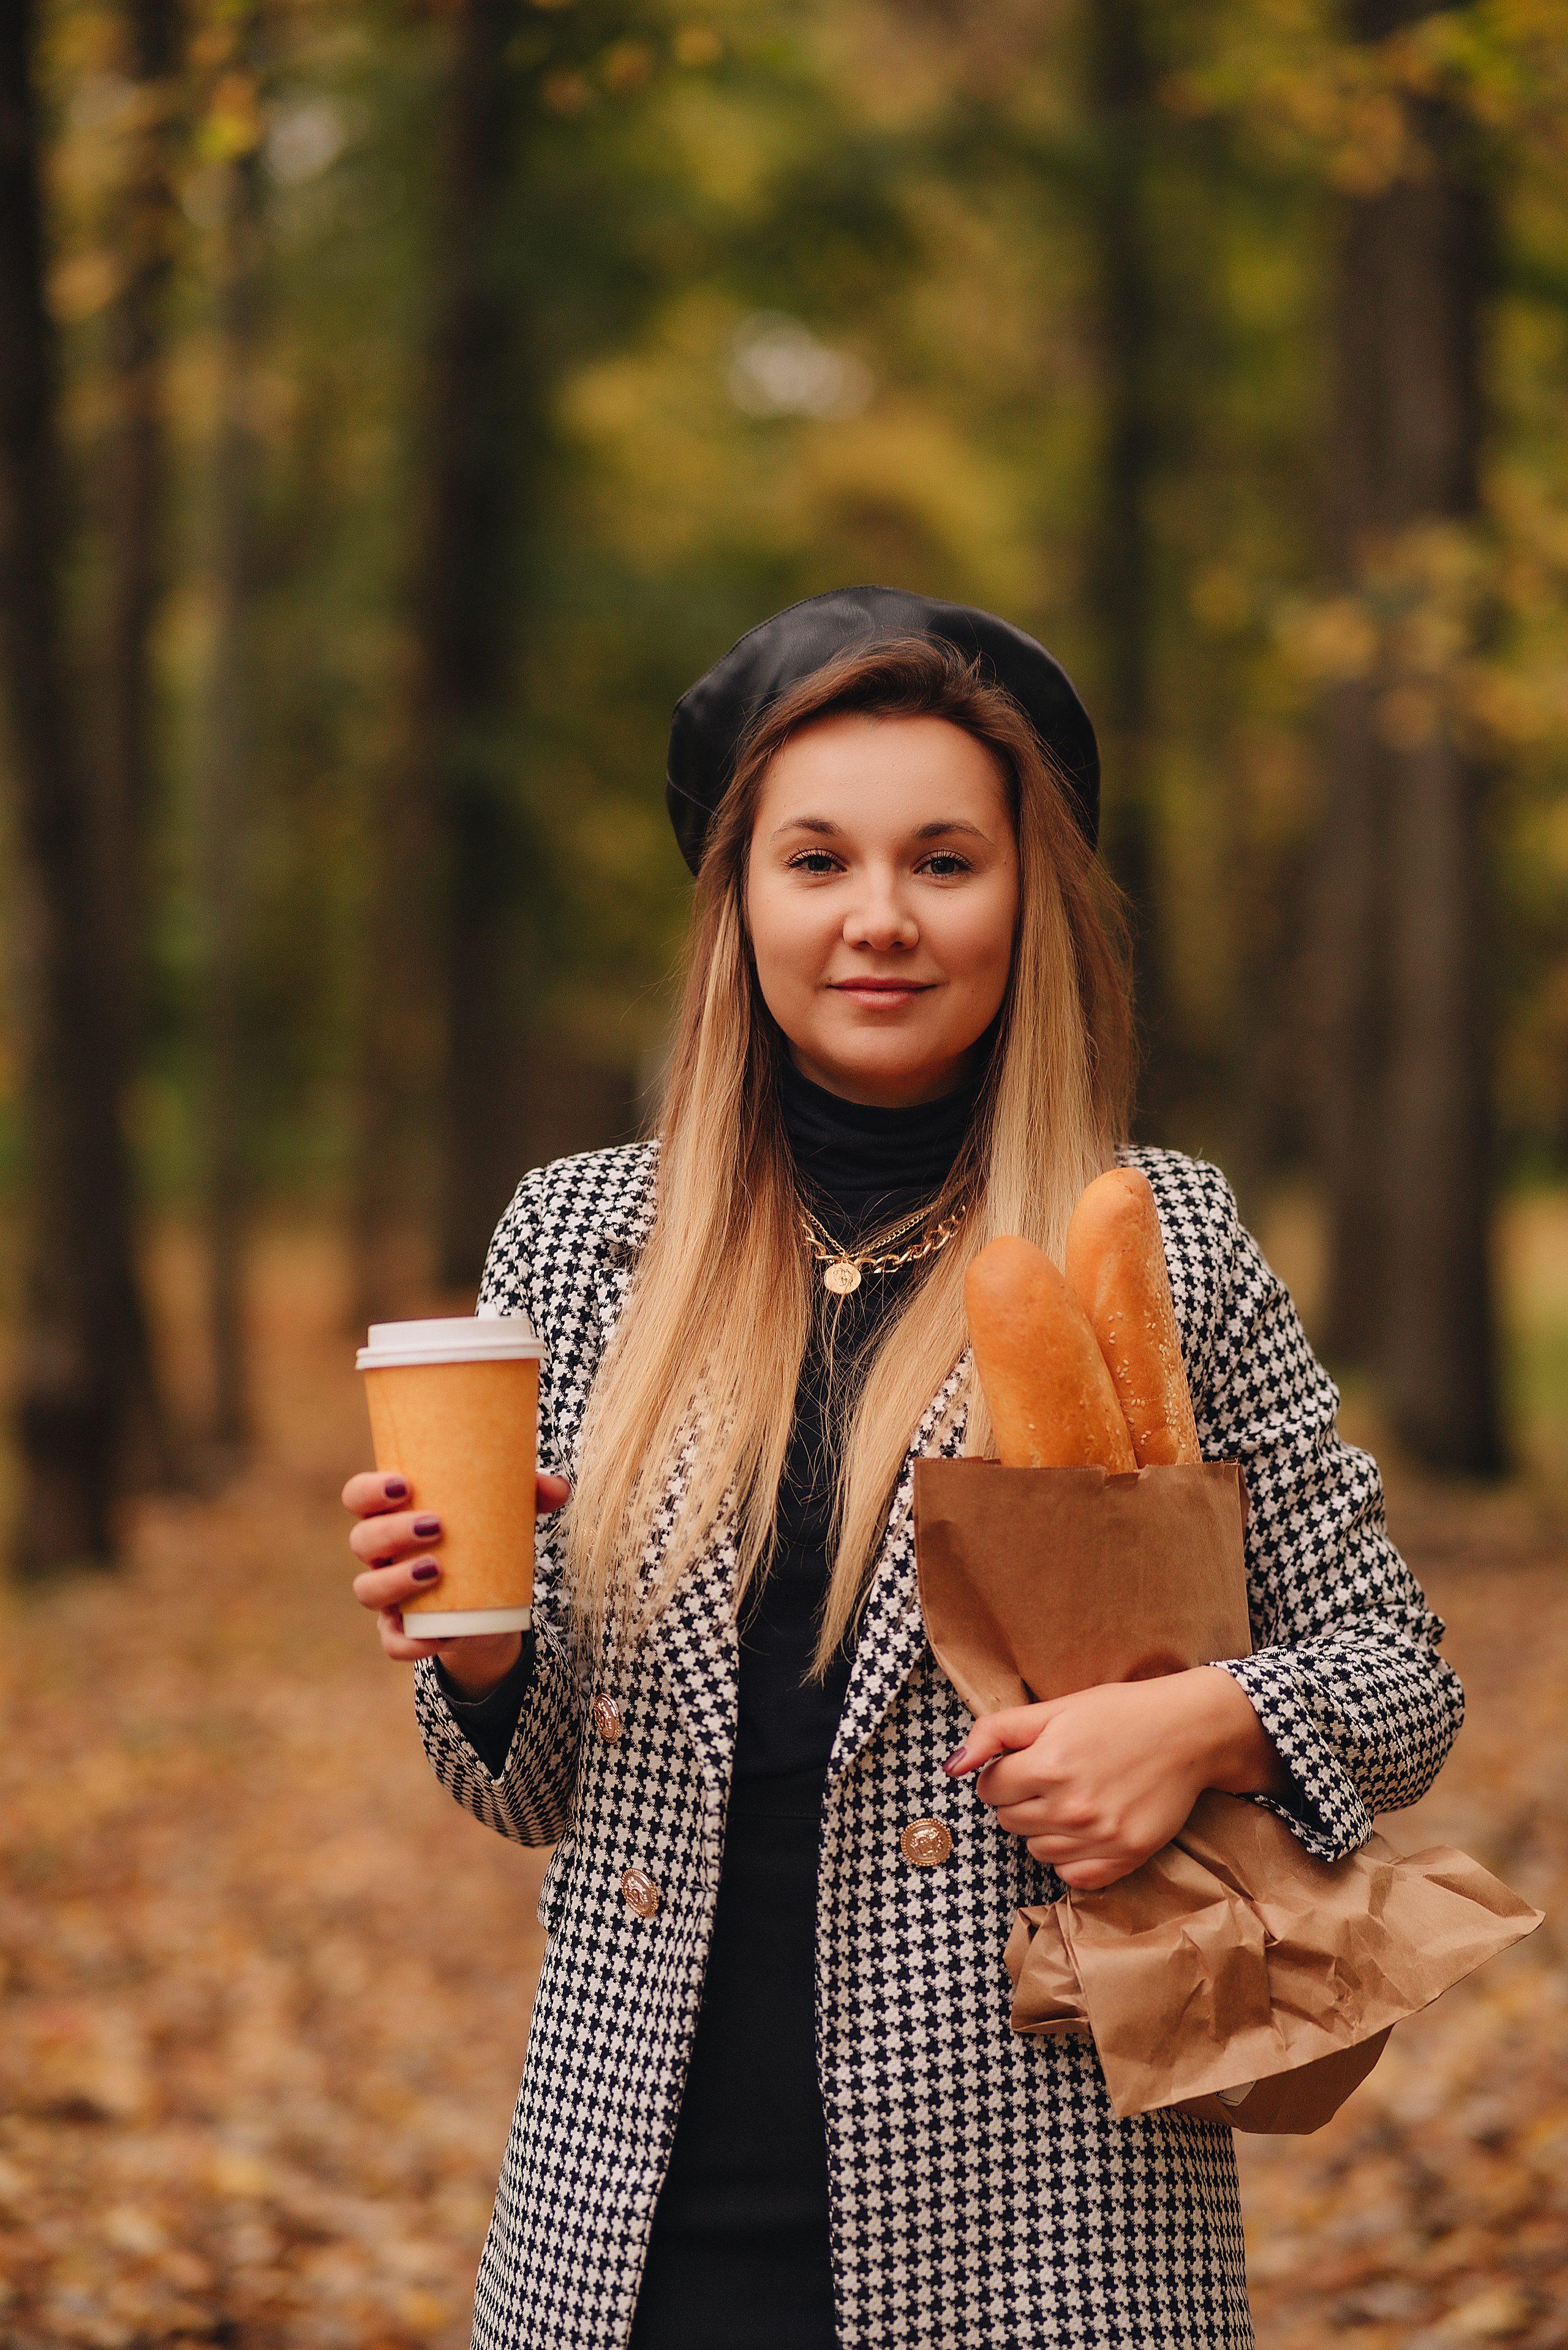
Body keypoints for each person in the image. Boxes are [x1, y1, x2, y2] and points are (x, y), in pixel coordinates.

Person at [344, 587, 1463, 2350]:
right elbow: (532, 1790)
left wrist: (1194, 1725)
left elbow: (1398, 1676)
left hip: (1044, 2207)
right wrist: (474, 1653)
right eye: (817, 862)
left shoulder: (1152, 1237)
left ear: (1028, 902)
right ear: (739, 909)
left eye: (944, 861)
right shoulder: (578, 1243)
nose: (880, 919)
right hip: (632, 2208)